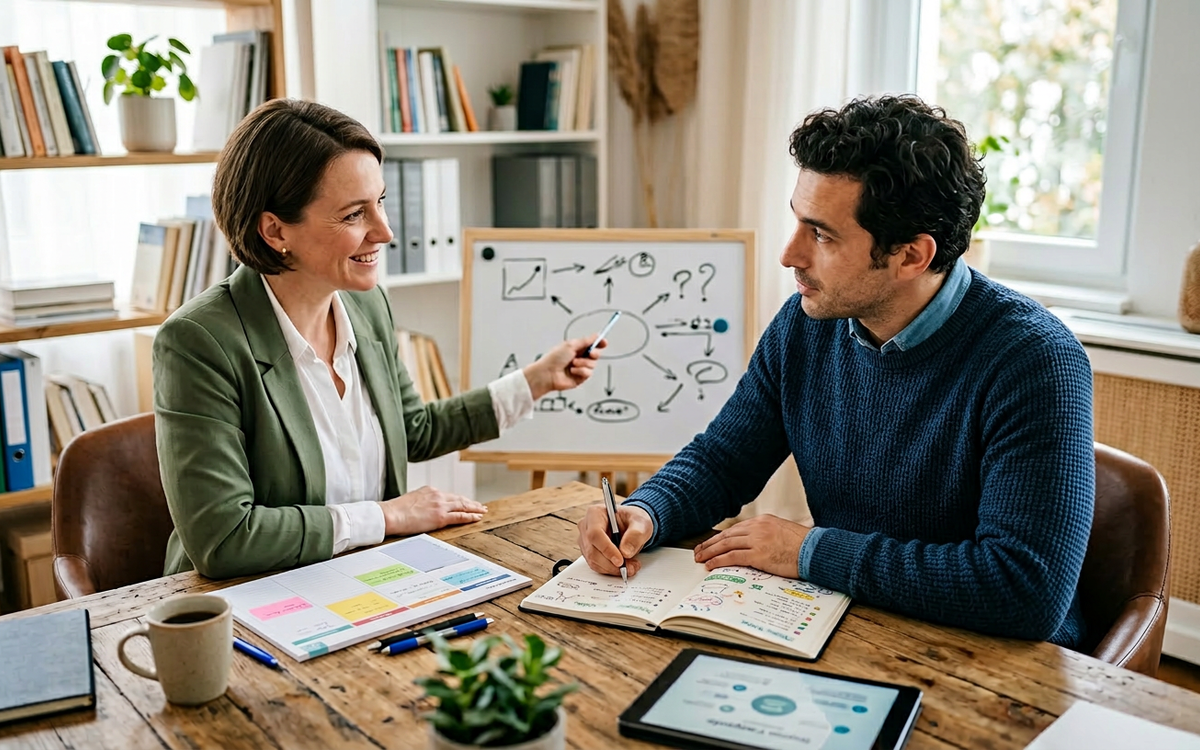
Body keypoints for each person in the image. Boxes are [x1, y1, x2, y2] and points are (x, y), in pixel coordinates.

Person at [576, 95, 1095, 647]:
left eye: (821, 235)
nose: (789, 253)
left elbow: (1024, 589)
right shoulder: (808, 322)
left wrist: (810, 550)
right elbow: (725, 460)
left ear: (912, 256)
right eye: (797, 221)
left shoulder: (1035, 360)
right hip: (847, 622)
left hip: (994, 664)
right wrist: (646, 511)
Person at [155, 99, 602, 579]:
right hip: (247, 600)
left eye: (381, 202)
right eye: (353, 215)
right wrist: (388, 516)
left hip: (367, 577)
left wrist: (535, 380)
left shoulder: (366, 306)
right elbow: (225, 538)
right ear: (275, 229)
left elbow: (414, 429)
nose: (385, 232)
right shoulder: (197, 342)